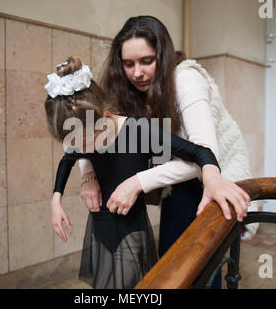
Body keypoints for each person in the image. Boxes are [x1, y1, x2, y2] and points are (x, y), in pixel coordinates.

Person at [78, 16, 261, 288]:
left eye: (147, 61)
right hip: (181, 177)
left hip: (214, 176)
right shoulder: (127, 87)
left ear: (162, 57)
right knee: (173, 258)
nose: (137, 72)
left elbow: (205, 154)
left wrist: (136, 182)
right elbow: (83, 129)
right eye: (129, 64)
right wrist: (88, 175)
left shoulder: (186, 79)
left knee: (200, 266)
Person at [45, 57, 250, 289]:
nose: (82, 152)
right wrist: (56, 199)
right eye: (76, 144)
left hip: (130, 233)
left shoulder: (138, 130)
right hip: (100, 229)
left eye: (88, 143)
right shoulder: (83, 136)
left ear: (105, 117)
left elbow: (202, 153)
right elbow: (68, 158)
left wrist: (213, 178)